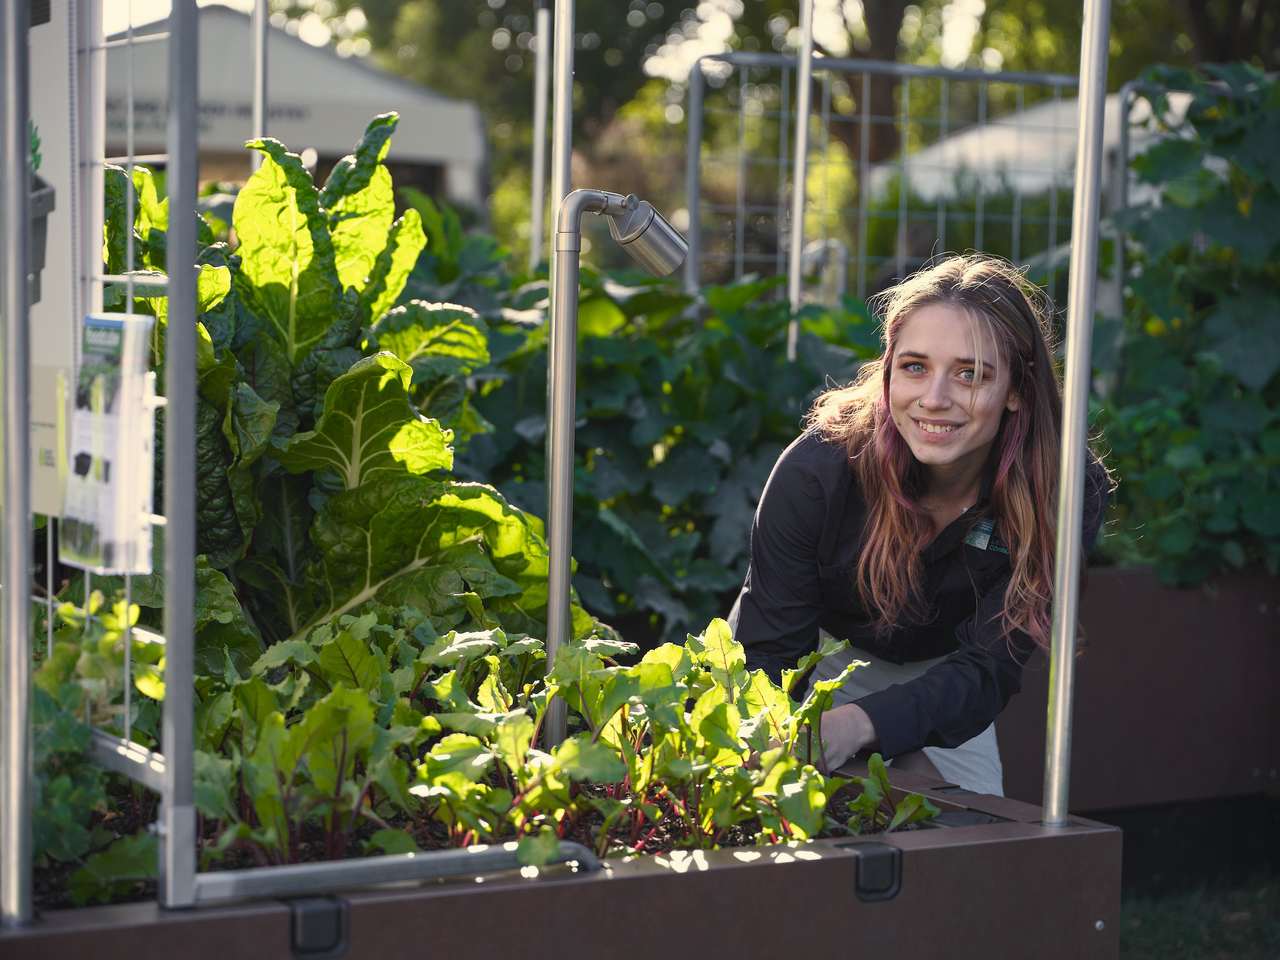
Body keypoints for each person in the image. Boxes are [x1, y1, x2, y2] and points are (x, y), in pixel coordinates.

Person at [727, 254, 1112, 795]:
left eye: (970, 374)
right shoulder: (819, 471)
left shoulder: (1063, 487)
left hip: (942, 676)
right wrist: (789, 736)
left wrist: (866, 727)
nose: (935, 399)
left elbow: (988, 668)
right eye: (915, 367)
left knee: (969, 831)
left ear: (1016, 390)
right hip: (818, 652)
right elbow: (768, 656)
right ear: (888, 372)